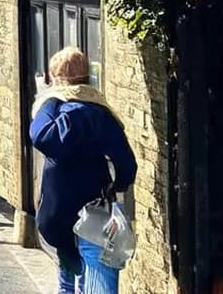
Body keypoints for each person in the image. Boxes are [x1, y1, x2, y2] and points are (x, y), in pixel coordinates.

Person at [30, 48, 136, 294]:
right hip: (93, 205)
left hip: (57, 207)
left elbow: (42, 137)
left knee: (67, 262)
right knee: (94, 267)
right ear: (88, 77)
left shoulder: (55, 109)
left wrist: (49, 98)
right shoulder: (101, 114)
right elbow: (127, 163)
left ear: (55, 78)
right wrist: (118, 185)